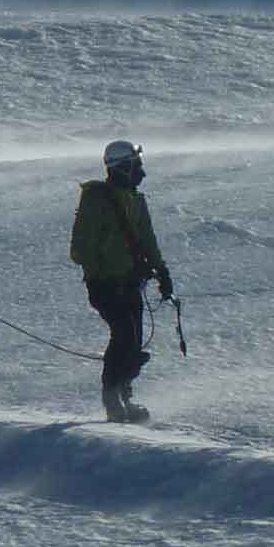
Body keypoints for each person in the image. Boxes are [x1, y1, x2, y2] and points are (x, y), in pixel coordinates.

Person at [71, 140, 172, 423]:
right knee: (125, 335)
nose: (141, 172)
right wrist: (104, 271)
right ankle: (111, 397)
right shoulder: (96, 200)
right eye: (136, 166)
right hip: (105, 285)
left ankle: (125, 397)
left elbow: (148, 241)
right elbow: (79, 250)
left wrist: (162, 273)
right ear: (121, 168)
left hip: (130, 283)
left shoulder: (136, 201)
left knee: (134, 340)